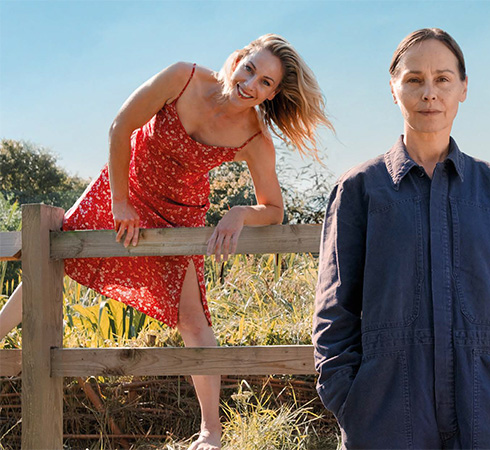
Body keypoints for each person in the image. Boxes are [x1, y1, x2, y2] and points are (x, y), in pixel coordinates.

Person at [0, 34, 330, 450]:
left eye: (265, 82)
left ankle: (211, 431)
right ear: (238, 58)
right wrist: (119, 201)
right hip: (126, 187)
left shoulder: (254, 139)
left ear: (273, 93)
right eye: (251, 69)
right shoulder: (183, 77)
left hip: (180, 215)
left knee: (193, 320)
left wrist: (241, 212)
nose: (251, 84)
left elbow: (274, 210)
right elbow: (121, 125)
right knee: (54, 257)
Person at [313, 28, 490, 448]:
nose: (429, 93)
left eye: (442, 79)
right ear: (393, 89)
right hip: (385, 416)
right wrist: (350, 398)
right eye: (414, 79)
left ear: (463, 88)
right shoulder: (359, 190)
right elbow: (335, 309)